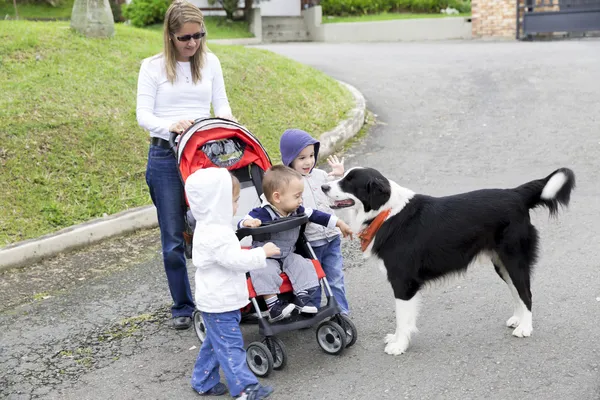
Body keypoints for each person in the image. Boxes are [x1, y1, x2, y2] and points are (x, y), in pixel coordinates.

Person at [136, 0, 235, 330]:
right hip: (166, 155)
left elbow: (221, 106)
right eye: (185, 38)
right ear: (169, 36)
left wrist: (229, 126)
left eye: (198, 36)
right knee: (173, 239)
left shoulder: (210, 63)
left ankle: (228, 298)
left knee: (222, 226)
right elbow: (143, 116)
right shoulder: (151, 67)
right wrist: (171, 125)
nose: (192, 43)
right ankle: (182, 306)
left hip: (205, 154)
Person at [185, 167, 276, 399]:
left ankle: (203, 380)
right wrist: (261, 253)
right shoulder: (216, 235)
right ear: (218, 204)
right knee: (231, 347)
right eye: (234, 201)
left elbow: (231, 221)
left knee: (216, 343)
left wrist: (245, 220)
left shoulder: (211, 224)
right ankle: (245, 389)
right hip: (220, 302)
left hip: (220, 301)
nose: (237, 206)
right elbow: (234, 260)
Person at [239, 165, 353, 322]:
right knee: (262, 270)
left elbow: (317, 215)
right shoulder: (263, 212)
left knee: (304, 264)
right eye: (297, 196)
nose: (301, 200)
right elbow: (242, 222)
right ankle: (273, 307)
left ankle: (303, 298)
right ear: (277, 197)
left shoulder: (297, 210)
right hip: (267, 256)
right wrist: (249, 222)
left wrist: (339, 223)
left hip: (288, 254)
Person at [279, 129, 351, 315]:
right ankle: (313, 310)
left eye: (311, 155)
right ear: (290, 160)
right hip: (311, 239)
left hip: (331, 236)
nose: (308, 161)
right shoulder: (289, 183)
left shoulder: (319, 175)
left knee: (335, 277)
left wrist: (337, 175)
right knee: (313, 278)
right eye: (301, 158)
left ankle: (341, 311)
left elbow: (331, 188)